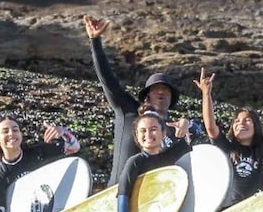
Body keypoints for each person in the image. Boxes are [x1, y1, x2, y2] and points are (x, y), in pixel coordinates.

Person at [83, 15, 199, 187]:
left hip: (152, 199)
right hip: (117, 192)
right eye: (156, 89)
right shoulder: (129, 111)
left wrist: (189, 124)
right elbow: (108, 80)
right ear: (147, 96)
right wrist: (95, 41)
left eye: (166, 90)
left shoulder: (174, 131)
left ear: (172, 98)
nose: (161, 92)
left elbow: (205, 137)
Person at [193, 67, 263, 209]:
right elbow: (210, 126)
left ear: (256, 126)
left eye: (247, 120)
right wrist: (206, 93)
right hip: (226, 211)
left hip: (254, 210)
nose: (241, 124)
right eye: (237, 121)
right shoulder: (226, 148)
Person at [0, 115, 81, 212]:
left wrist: (62, 132)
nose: (11, 134)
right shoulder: (0, 176)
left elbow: (74, 147)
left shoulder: (37, 154)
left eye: (15, 130)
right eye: (5, 131)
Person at [117, 111, 191, 212]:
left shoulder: (170, 156)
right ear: (136, 136)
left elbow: (198, 132)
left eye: (153, 129)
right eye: (143, 130)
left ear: (164, 133)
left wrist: (186, 123)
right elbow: (122, 196)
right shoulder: (135, 162)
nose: (148, 134)